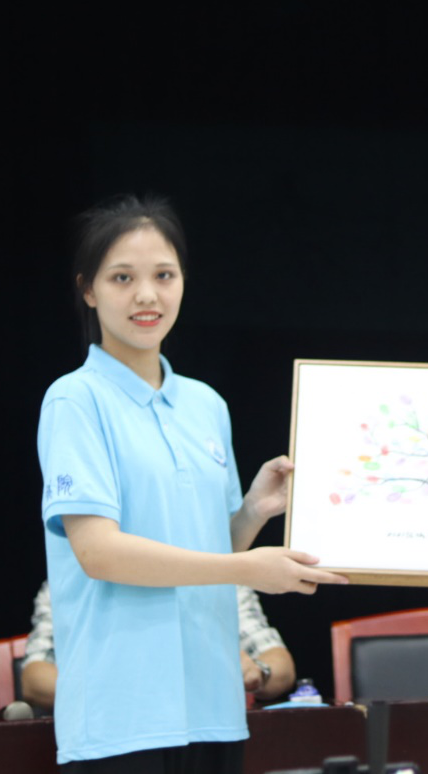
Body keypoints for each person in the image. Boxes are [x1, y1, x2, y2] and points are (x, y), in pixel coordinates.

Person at [38, 194, 345, 772]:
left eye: (164, 275)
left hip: (213, 705)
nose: (146, 295)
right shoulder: (75, 399)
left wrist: (251, 513)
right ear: (87, 290)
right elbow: (99, 553)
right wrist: (245, 570)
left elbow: (210, 549)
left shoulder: (206, 405)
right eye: (122, 277)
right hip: (120, 715)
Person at [20, 581, 297, 711]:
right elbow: (34, 679)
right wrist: (116, 690)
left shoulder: (220, 577)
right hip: (114, 731)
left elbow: (282, 668)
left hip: (206, 728)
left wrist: (257, 672)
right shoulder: (71, 583)